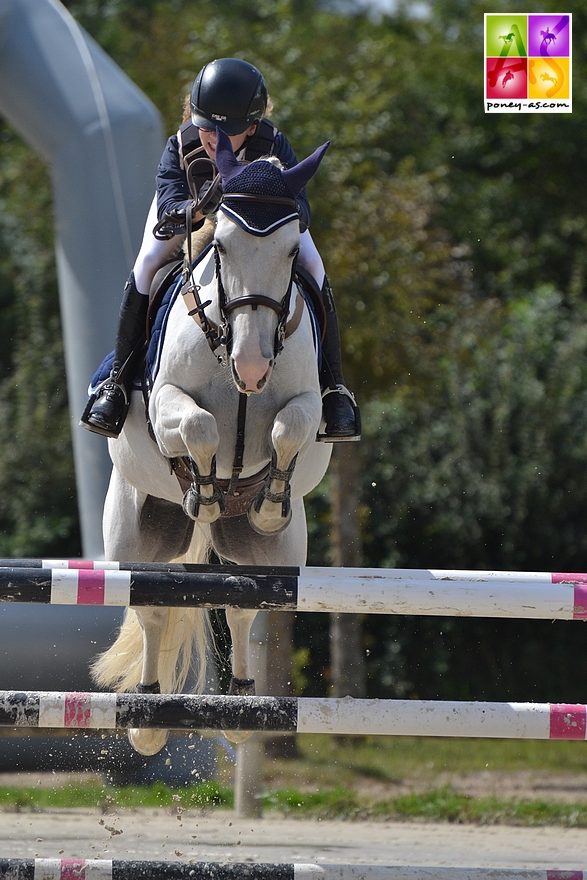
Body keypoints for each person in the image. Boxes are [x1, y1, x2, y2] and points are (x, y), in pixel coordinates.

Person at [81, 57, 360, 442]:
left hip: (259, 230)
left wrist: (266, 203)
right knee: (146, 264)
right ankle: (116, 382)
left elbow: (303, 211)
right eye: (207, 126)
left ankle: (334, 391)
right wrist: (196, 209)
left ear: (251, 125)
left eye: (225, 130)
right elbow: (168, 207)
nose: (213, 138)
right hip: (188, 220)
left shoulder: (274, 143)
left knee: (314, 265)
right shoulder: (180, 145)